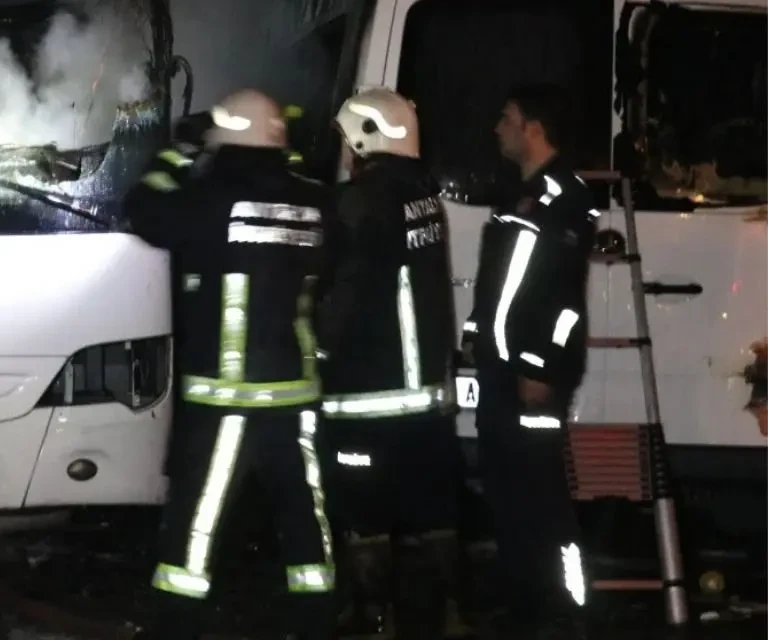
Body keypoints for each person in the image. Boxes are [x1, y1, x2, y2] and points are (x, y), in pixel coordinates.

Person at [126, 89, 336, 640]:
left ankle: (178, 621)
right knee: (303, 515)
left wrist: (178, 150)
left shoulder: (209, 199)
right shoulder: (315, 200)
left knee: (198, 519)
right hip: (295, 393)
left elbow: (144, 209)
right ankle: (317, 616)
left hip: (227, 397)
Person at [316, 87, 462, 640]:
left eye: (348, 141)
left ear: (365, 139)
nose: (345, 154)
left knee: (364, 514)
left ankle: (378, 619)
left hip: (365, 395)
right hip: (424, 398)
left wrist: (319, 349)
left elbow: (345, 295)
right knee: (434, 510)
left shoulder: (358, 204)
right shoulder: (424, 196)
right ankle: (453, 613)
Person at [460, 82, 596, 640]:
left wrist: (539, 366)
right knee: (507, 490)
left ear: (533, 127)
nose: (498, 127)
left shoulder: (565, 194)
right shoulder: (518, 194)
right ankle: (524, 602)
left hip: (534, 375)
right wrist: (475, 334)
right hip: (500, 369)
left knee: (542, 496)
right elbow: (500, 283)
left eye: (507, 116)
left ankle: (569, 606)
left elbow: (561, 295)